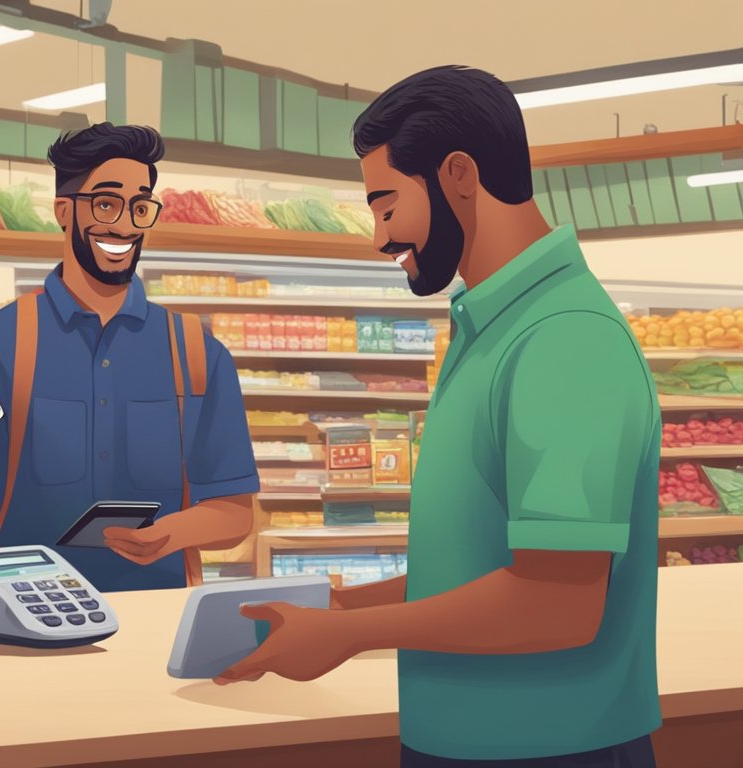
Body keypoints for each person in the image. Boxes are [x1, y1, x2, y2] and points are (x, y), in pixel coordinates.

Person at [216, 66, 661, 768]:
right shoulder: (490, 327)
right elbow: (473, 571)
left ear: (458, 175)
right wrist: (344, 611)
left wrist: (351, 637)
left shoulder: (565, 340)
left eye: (387, 205)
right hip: (464, 741)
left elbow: (559, 601)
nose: (378, 238)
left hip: (550, 748)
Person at [0, 123, 258, 592]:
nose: (124, 225)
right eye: (106, 204)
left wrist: (173, 533)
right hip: (28, 618)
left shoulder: (198, 353)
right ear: (64, 212)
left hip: (159, 625)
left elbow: (235, 513)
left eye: (140, 206)